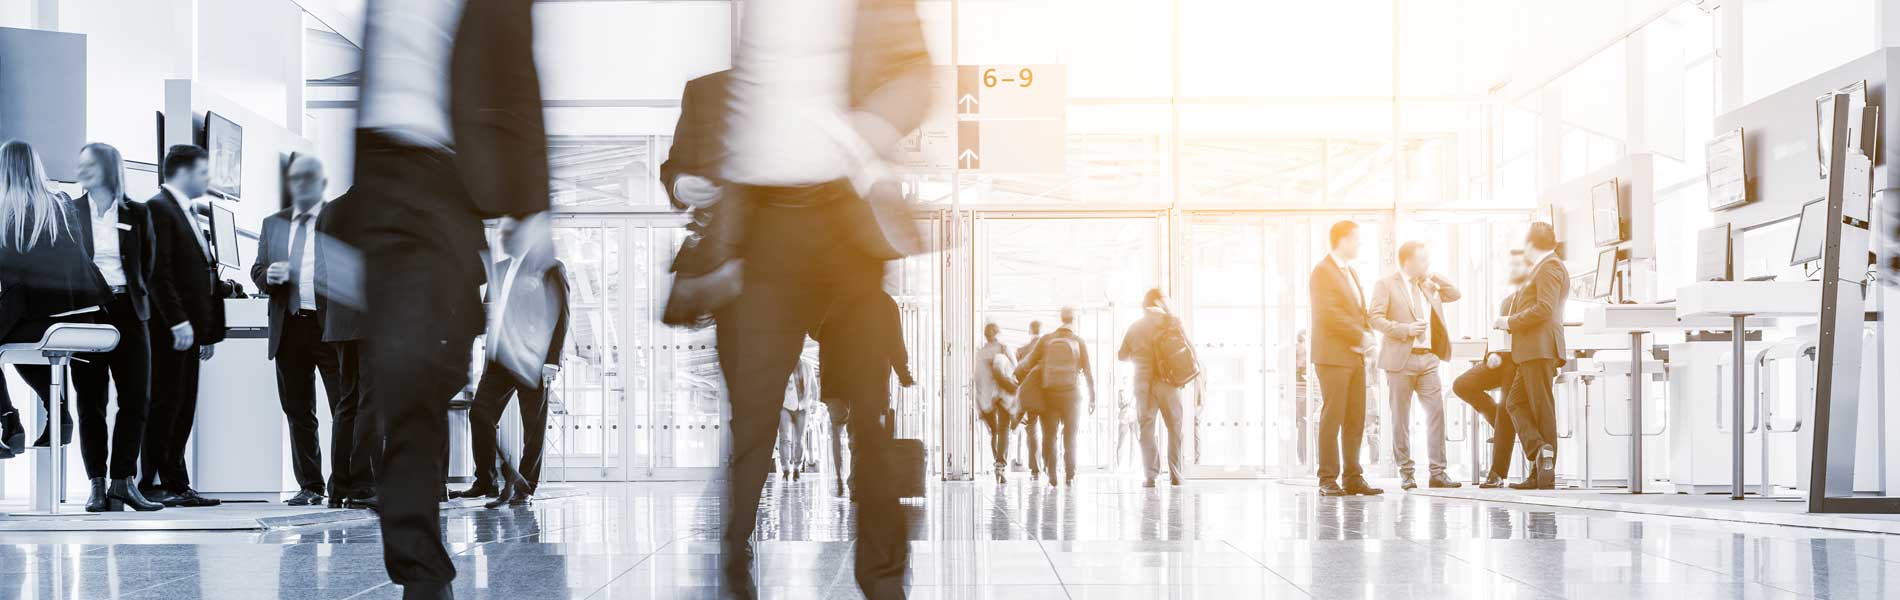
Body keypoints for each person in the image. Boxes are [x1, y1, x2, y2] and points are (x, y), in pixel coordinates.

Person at [710, 0, 932, 595]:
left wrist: (856, 134)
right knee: (754, 411)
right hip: (766, 222)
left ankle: (883, 580)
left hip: (843, 217)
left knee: (868, 409)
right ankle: (734, 568)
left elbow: (918, 74)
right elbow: (743, 103)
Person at [338, 0, 554, 596]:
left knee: (424, 377)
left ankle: (422, 568)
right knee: (400, 381)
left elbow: (517, 75)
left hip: (447, 185)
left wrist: (532, 202)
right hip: (383, 186)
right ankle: (421, 573)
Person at [48, 143, 164, 512]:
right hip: (86, 313)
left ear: (110, 169)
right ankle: (96, 484)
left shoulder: (139, 212)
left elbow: (148, 266)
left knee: (136, 399)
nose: (82, 171)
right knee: (91, 402)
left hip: (129, 309)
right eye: (79, 164)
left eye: (90, 165)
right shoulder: (69, 212)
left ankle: (122, 481)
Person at [0, 140, 112, 475]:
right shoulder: (61, 203)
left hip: (39, 317)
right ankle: (57, 411)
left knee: (10, 334)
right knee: (14, 342)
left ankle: (10, 421)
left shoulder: (6, 212)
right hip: (84, 317)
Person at [251, 154, 350, 507]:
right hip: (289, 326)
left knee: (344, 406)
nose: (301, 186)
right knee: (298, 410)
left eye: (309, 179)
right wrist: (267, 278)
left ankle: (344, 484)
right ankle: (311, 485)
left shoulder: (338, 219)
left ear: (322, 184)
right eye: (296, 180)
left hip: (330, 328)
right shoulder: (272, 223)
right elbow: (257, 269)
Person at [456, 216, 569, 505]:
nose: (505, 239)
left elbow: (562, 316)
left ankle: (525, 487)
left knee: (533, 426)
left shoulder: (551, 268)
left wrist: (552, 360)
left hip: (533, 359)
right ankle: (486, 482)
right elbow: (486, 314)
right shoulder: (499, 269)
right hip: (498, 358)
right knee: (479, 415)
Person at [139, 143, 227, 509]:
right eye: (204, 172)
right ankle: (153, 483)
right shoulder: (158, 209)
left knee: (183, 405)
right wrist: (178, 321)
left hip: (190, 331)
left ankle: (177, 481)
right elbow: (159, 274)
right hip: (168, 331)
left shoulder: (188, 212)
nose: (208, 179)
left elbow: (199, 274)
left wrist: (205, 330)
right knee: (165, 404)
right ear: (185, 172)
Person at [1368, 241, 1462, 491]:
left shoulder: (1429, 284)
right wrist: (1404, 330)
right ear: (1408, 261)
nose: (1427, 263)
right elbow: (1374, 318)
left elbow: (1455, 294)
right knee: (1401, 418)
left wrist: (1433, 275)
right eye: (1423, 260)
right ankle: (1406, 472)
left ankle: (1438, 472)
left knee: (1436, 413)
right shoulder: (1386, 284)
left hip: (1429, 359)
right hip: (1401, 360)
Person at [1309, 220, 1382, 497]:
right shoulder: (1322, 272)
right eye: (1356, 240)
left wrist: (1367, 336)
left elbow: (1356, 311)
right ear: (1342, 240)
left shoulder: (1350, 272)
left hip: (1354, 356)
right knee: (1333, 416)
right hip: (1332, 357)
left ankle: (1353, 476)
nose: (1359, 245)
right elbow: (1329, 314)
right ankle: (1327, 478)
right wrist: (1359, 336)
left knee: (1356, 417)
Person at [1497, 222, 1569, 490]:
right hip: (1530, 351)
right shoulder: (1543, 267)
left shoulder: (1550, 267)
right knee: (1515, 403)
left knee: (1542, 409)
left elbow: (1544, 309)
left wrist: (1509, 322)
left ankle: (1543, 473)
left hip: (1540, 349)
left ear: (1530, 244)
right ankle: (1540, 452)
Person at [317, 188, 376, 510]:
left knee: (347, 402)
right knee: (370, 402)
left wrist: (328, 322)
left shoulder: (331, 210)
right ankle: (363, 485)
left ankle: (338, 485)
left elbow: (321, 272)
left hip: (340, 322)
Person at [1454, 251, 1530, 488]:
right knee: (1462, 385)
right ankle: (1498, 423)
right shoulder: (1507, 300)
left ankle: (1497, 473)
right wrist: (1491, 355)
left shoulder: (1533, 297)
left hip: (1519, 362)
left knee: (1507, 405)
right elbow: (1496, 334)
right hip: (1500, 359)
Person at [1015, 306, 1096, 487]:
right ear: (1073, 320)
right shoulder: (1079, 341)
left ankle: (1051, 473)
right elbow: (1089, 372)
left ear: (1060, 318)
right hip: (1072, 395)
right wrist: (1093, 397)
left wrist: (1018, 378)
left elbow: (1027, 364)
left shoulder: (1046, 339)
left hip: (1049, 393)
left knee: (1049, 434)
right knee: (1070, 435)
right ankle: (1070, 474)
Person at [1118, 288, 1189, 488]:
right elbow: (1186, 349)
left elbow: (1121, 355)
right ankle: (1176, 474)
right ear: (1158, 301)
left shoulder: (1135, 327)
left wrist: (1139, 356)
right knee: (1175, 428)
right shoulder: (1172, 323)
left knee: (1146, 430)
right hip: (1169, 384)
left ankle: (1151, 475)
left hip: (1144, 386)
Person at [974, 322, 1018, 484]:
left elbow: (977, 378)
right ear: (998, 333)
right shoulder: (1004, 348)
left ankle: (997, 464)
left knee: (995, 432)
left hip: (987, 398)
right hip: (1003, 396)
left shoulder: (980, 353)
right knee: (1004, 429)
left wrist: (979, 403)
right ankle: (1000, 465)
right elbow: (1016, 370)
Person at [776, 358, 816, 480]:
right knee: (785, 438)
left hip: (803, 407)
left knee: (800, 439)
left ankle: (797, 467)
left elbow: (814, 388)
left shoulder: (808, 366)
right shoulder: (781, 366)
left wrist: (814, 404)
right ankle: (786, 468)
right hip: (785, 406)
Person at [1016, 320, 1044, 479]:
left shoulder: (1021, 351)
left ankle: (1035, 470)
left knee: (1032, 432)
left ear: (1029, 331)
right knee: (1049, 432)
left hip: (1030, 397)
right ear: (1042, 331)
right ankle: (1050, 466)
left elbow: (1016, 375)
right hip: (1048, 395)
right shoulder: (1048, 350)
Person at [1293, 330, 1311, 464]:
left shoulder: (1299, 349)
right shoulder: (1299, 349)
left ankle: (1304, 459)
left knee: (1302, 427)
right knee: (1303, 427)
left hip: (1303, 391)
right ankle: (1305, 459)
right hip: (1300, 390)